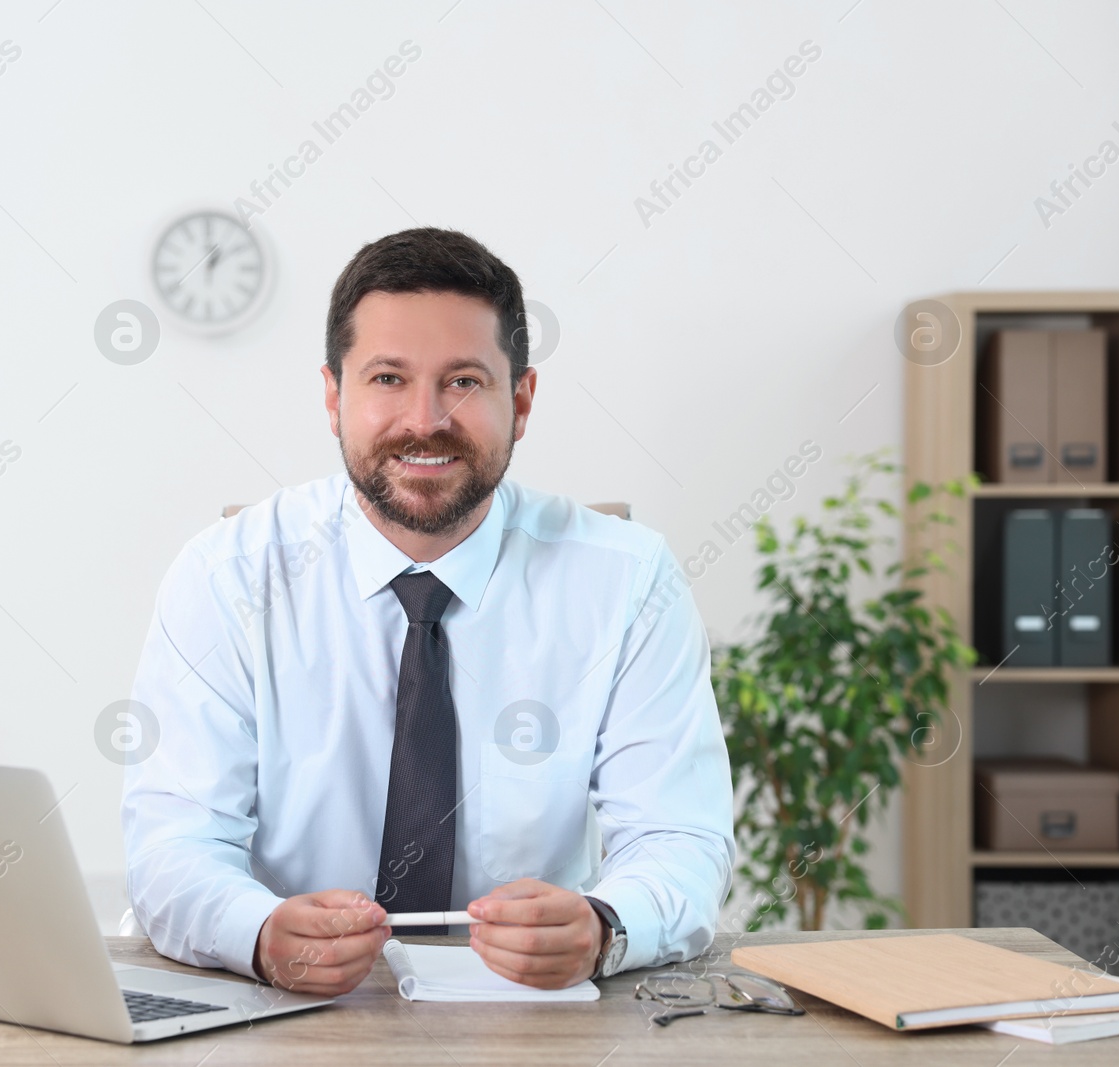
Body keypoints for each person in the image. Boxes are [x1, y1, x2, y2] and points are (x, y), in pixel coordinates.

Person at [122, 227, 732, 995]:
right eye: (386, 377)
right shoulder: (223, 577)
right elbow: (173, 842)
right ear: (333, 395)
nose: (425, 419)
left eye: (464, 382)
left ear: (522, 399)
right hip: (287, 1014)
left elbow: (679, 834)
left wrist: (606, 923)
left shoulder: (630, 580)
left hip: (532, 1022)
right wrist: (259, 930)